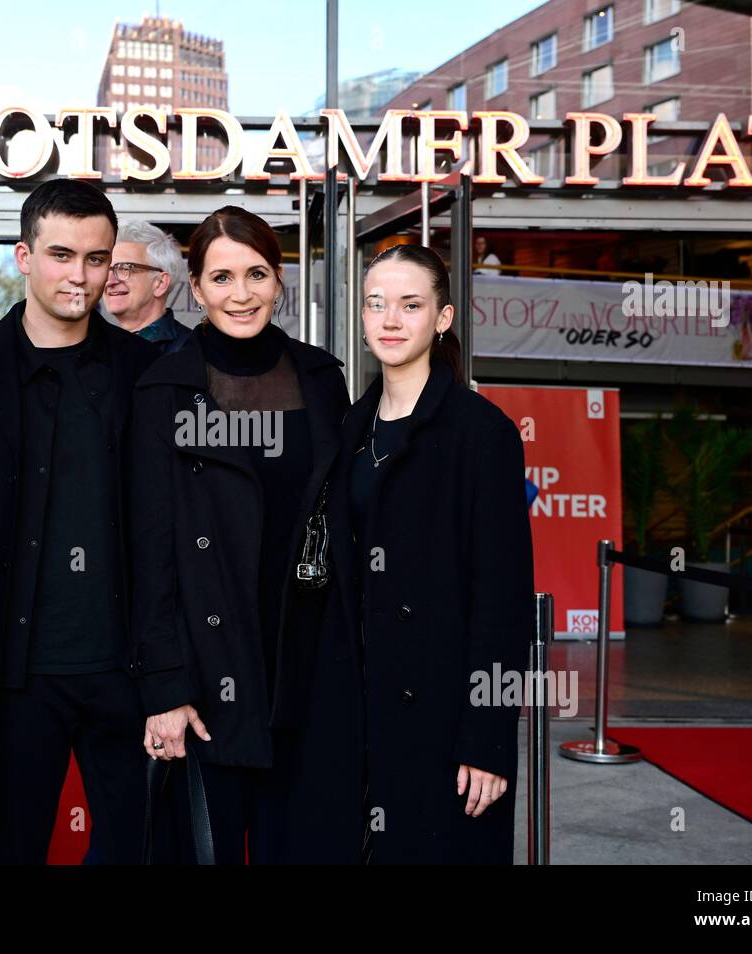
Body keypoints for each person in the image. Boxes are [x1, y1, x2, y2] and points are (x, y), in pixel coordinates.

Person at [0, 179, 158, 864]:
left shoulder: (149, 372)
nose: (81, 276)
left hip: (127, 670)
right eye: (62, 255)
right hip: (9, 674)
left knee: (138, 853)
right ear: (23, 257)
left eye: (97, 260)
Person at [129, 205, 351, 864]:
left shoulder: (320, 379)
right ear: (195, 288)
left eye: (256, 273)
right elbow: (150, 548)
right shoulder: (164, 389)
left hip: (303, 662)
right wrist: (164, 688)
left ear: (279, 281)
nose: (241, 293)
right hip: (207, 673)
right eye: (221, 277)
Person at [321, 243, 533, 863]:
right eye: (376, 304)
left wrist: (488, 741)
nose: (390, 320)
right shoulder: (349, 429)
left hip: (442, 709)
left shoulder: (482, 434)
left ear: (441, 318)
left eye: (410, 305)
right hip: (356, 699)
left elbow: (503, 600)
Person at [104, 220, 192, 353]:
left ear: (160, 283)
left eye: (124, 268)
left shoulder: (191, 351)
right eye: (106, 269)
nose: (109, 281)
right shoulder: (100, 347)